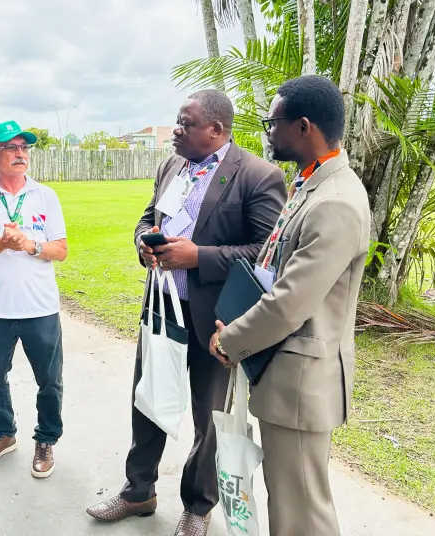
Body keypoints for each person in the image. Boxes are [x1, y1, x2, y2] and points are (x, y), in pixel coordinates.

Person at [87, 90, 286, 536]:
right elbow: (147, 218)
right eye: (177, 122)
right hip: (161, 306)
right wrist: (144, 242)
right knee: (148, 399)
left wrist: (199, 257)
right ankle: (138, 492)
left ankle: (198, 506)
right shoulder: (172, 166)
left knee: (208, 417)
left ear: (216, 130)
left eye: (185, 123)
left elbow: (266, 253)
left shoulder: (258, 176)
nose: (176, 131)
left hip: (215, 320)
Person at [210, 76, 370, 536]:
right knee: (288, 498)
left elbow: (289, 303)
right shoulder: (313, 184)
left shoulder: (335, 202)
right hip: (285, 373)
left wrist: (230, 339)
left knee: (302, 510)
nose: (269, 132)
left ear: (303, 127)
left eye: (273, 122)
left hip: (301, 382)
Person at [0, 120, 68, 479]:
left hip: (40, 306)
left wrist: (29, 245)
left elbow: (61, 250)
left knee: (49, 380)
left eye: (24, 147)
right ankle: (3, 434)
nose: (20, 153)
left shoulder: (45, 196)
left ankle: (46, 439)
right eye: (10, 147)